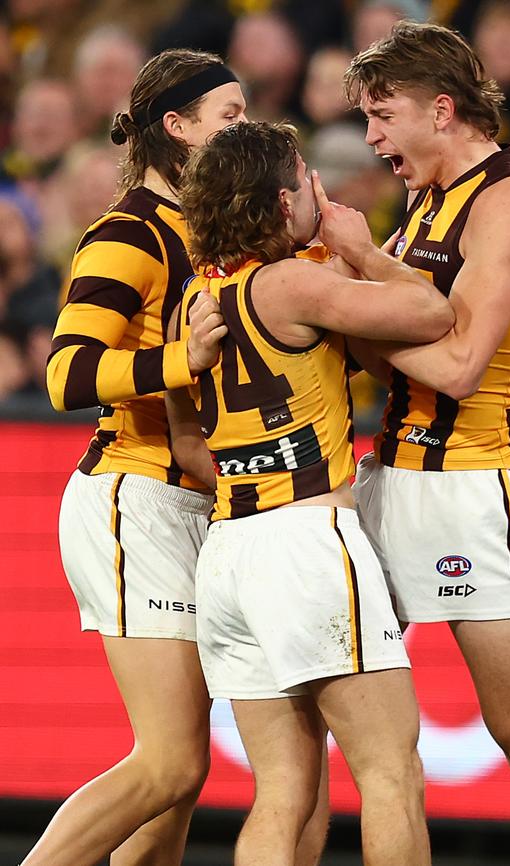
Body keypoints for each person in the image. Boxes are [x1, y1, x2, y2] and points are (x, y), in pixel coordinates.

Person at [23, 49, 328, 866]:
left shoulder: (207, 229)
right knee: (170, 761)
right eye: (229, 114)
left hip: (193, 501)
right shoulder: (127, 232)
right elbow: (66, 372)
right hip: (135, 499)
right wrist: (177, 361)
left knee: (180, 778)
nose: (245, 125)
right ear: (177, 127)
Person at [344, 22, 510, 866]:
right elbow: (373, 341)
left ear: (443, 108)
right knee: (332, 733)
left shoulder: (508, 203)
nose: (372, 137)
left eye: (384, 115)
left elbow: (460, 366)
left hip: (470, 491)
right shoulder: (427, 196)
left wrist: (350, 277)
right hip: (388, 477)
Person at [168, 120, 455, 866]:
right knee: (392, 773)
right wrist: (358, 249)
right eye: (306, 179)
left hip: (230, 550)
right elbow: (434, 315)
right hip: (307, 545)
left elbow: (186, 443)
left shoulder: (191, 304)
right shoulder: (293, 283)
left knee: (283, 793)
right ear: (285, 196)